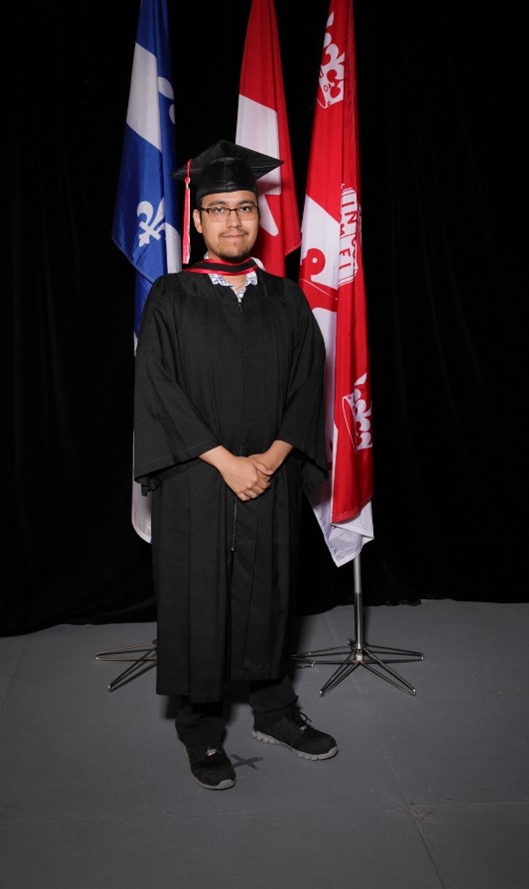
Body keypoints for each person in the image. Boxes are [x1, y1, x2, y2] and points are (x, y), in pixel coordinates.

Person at [133, 140, 337, 790]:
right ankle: (200, 729)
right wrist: (226, 463)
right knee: (198, 596)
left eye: (244, 208)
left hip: (269, 476)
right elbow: (159, 389)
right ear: (197, 220)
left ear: (259, 217)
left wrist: (271, 460)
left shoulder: (286, 299)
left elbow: (308, 384)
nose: (232, 221)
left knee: (270, 589)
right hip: (197, 478)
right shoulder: (171, 297)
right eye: (218, 210)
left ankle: (273, 709)